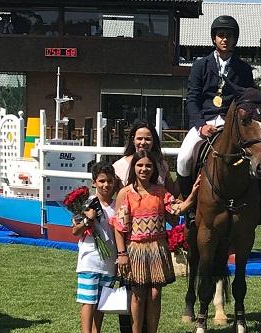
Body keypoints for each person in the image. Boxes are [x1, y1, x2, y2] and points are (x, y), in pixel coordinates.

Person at [176, 15, 261, 225]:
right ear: (214, 39)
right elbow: (193, 99)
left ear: (235, 39)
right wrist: (200, 125)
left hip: (232, 123)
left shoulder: (243, 69)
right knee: (184, 157)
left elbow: (248, 102)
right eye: (220, 35)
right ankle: (189, 206)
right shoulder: (200, 66)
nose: (225, 39)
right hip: (204, 121)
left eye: (229, 36)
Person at [110, 150, 199, 333]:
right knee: (138, 295)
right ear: (133, 167)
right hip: (135, 248)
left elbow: (176, 209)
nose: (144, 169)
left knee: (155, 293)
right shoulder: (125, 193)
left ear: (154, 168)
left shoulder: (160, 192)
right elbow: (119, 227)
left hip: (158, 248)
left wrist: (192, 194)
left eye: (148, 165)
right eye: (140, 165)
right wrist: (122, 254)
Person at [72, 162, 118, 333]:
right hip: (90, 260)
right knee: (88, 302)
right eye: (102, 181)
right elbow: (75, 231)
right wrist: (87, 220)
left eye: (110, 181)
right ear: (94, 182)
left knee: (101, 303)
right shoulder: (86, 204)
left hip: (109, 262)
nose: (106, 185)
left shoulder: (117, 205)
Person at [113, 121, 179, 197]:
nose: (143, 142)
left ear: (153, 140)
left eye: (147, 139)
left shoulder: (162, 165)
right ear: (133, 139)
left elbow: (172, 193)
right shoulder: (118, 166)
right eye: (139, 138)